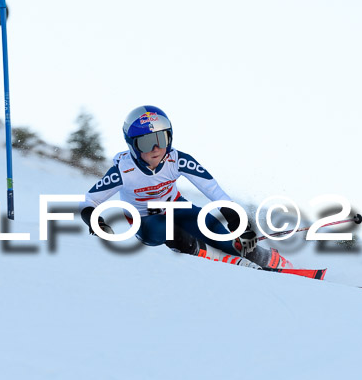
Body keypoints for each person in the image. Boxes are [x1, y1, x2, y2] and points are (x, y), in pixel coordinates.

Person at [79, 105, 280, 269]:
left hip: (177, 207)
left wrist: (240, 224)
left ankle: (258, 257)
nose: (156, 149)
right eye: (147, 142)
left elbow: (215, 192)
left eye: (161, 139)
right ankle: (206, 253)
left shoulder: (178, 160)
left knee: (213, 228)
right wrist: (96, 222)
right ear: (132, 146)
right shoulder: (123, 170)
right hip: (145, 220)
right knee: (167, 231)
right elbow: (90, 201)